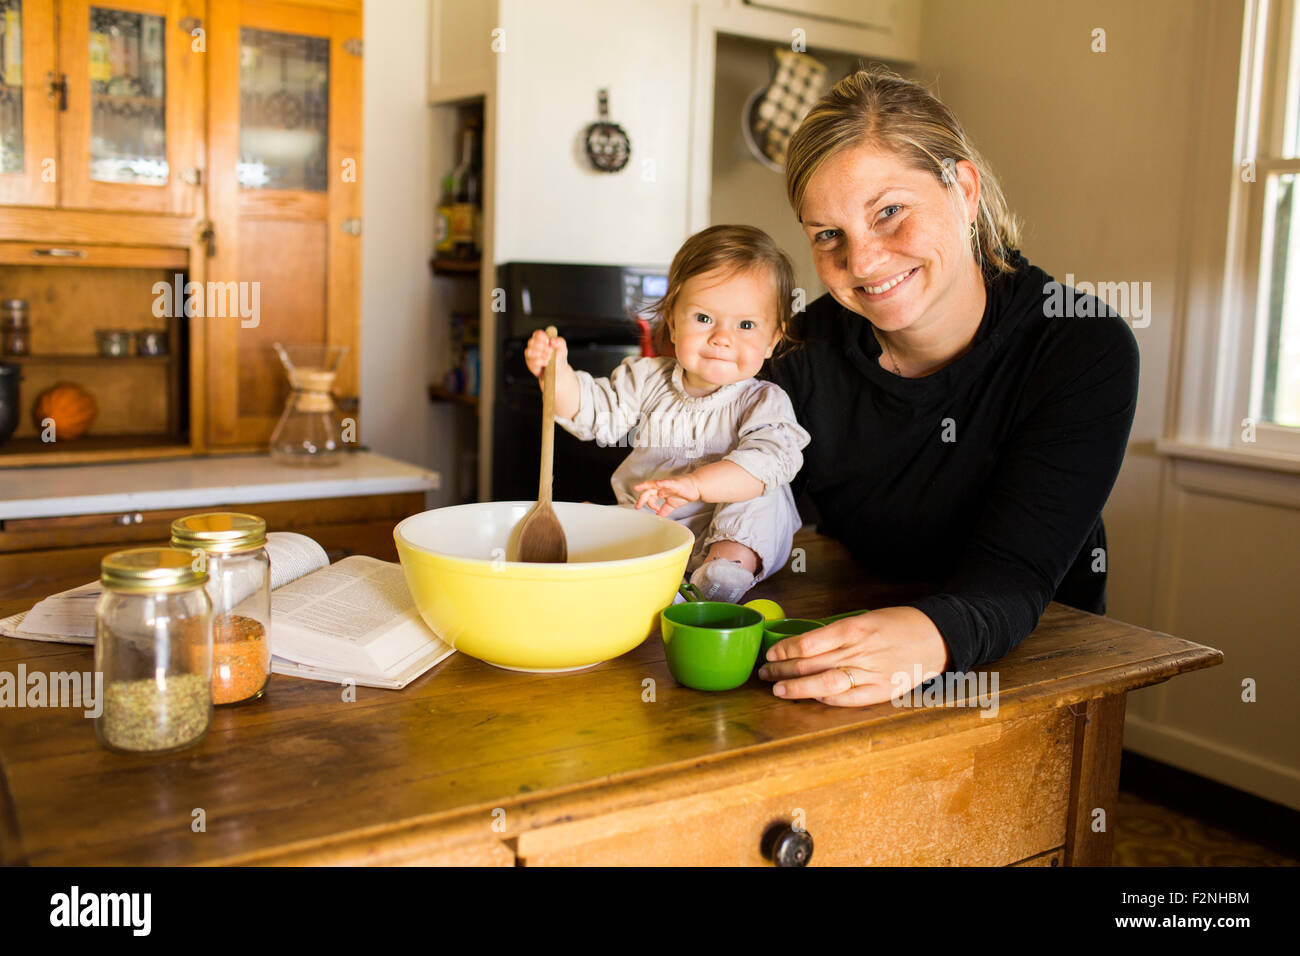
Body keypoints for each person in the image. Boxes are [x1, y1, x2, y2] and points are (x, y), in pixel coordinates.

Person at [760, 67, 1140, 707]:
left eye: (888, 212)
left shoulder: (1078, 346)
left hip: (1037, 665)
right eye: (829, 235)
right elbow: (751, 507)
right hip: (864, 650)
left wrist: (927, 635)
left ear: (963, 190)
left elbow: (1014, 577)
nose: (862, 262)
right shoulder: (798, 355)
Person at [523, 225, 811, 604]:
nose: (722, 337)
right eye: (704, 318)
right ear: (673, 322)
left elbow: (770, 459)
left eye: (745, 325)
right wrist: (556, 377)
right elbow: (595, 412)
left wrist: (696, 485)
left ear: (773, 339)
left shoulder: (762, 402)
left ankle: (722, 580)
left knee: (763, 492)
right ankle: (649, 575)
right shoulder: (646, 378)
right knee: (611, 518)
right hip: (658, 521)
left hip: (728, 535)